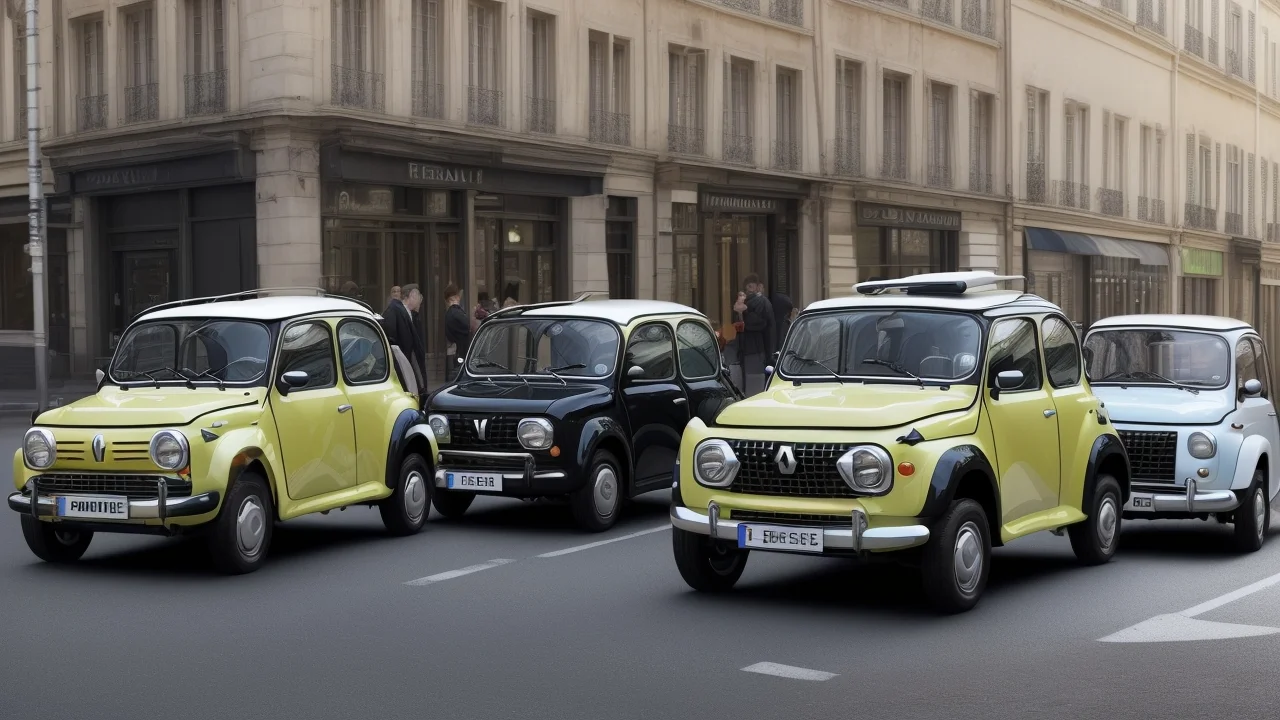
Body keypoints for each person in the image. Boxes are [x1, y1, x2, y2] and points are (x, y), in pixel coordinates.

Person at [734, 274, 775, 395]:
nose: (748, 290)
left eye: (751, 286)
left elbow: (760, 324)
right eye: (748, 287)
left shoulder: (760, 302)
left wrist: (743, 312)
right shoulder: (750, 302)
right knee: (752, 384)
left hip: (752, 349)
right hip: (752, 350)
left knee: (753, 383)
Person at [383, 283, 426, 391]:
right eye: (417, 297)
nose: (419, 301)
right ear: (411, 296)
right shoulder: (396, 311)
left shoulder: (406, 312)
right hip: (402, 361)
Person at [443, 284, 471, 381]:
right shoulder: (456, 313)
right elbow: (467, 326)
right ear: (456, 297)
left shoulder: (450, 313)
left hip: (456, 353)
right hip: (460, 354)